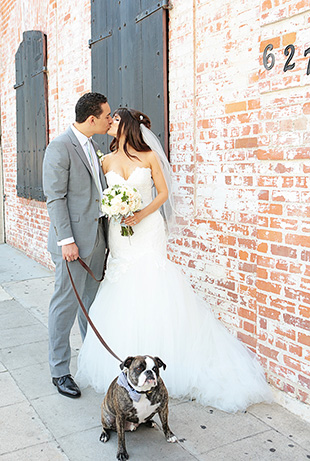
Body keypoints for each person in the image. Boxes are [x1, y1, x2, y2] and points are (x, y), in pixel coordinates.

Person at [75, 108, 273, 412]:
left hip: (148, 228)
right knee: (122, 284)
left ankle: (164, 359)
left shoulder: (149, 157)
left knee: (153, 283)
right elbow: (100, 196)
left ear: (126, 125)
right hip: (120, 232)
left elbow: (164, 193)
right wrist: (117, 210)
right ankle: (129, 364)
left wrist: (140, 212)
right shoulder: (106, 161)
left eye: (114, 120)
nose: (109, 123)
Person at [43, 92, 112, 398]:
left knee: (91, 304)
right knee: (66, 304)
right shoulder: (59, 147)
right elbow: (55, 198)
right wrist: (66, 240)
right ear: (92, 118)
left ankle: (91, 359)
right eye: (107, 116)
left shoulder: (93, 146)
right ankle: (60, 371)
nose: (111, 120)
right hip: (72, 244)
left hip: (97, 238)